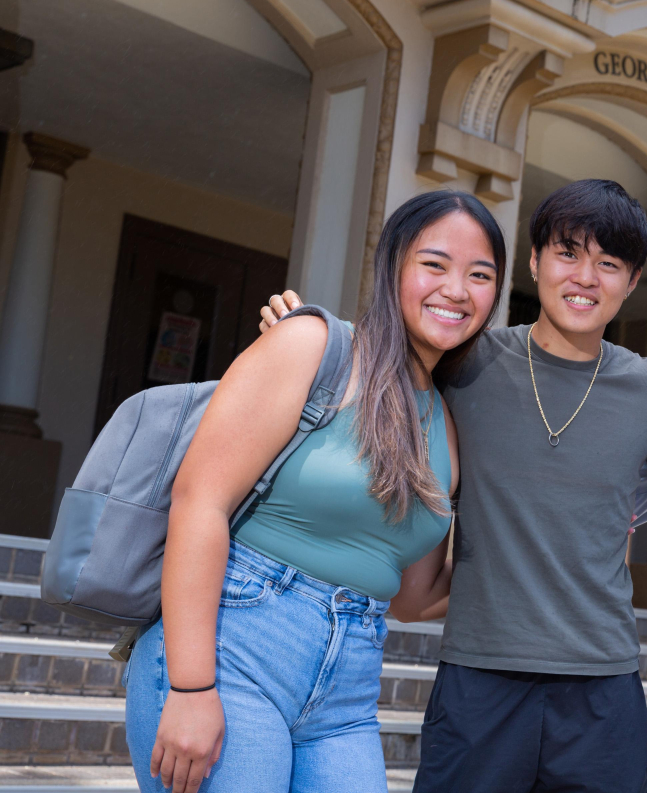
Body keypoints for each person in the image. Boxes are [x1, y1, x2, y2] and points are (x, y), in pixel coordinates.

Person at [262, 178, 647, 793]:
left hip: (602, 691)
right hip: (477, 683)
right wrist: (296, 332)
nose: (585, 277)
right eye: (568, 253)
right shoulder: (465, 364)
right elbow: (375, 365)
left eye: (609, 264)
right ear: (534, 261)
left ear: (632, 280)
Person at [124, 189, 508, 793]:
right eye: (434, 264)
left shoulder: (448, 424)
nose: (457, 290)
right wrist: (191, 687)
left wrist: (549, 552)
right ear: (393, 268)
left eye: (479, 275)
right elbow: (200, 501)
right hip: (234, 647)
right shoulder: (313, 346)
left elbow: (413, 596)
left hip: (347, 689)